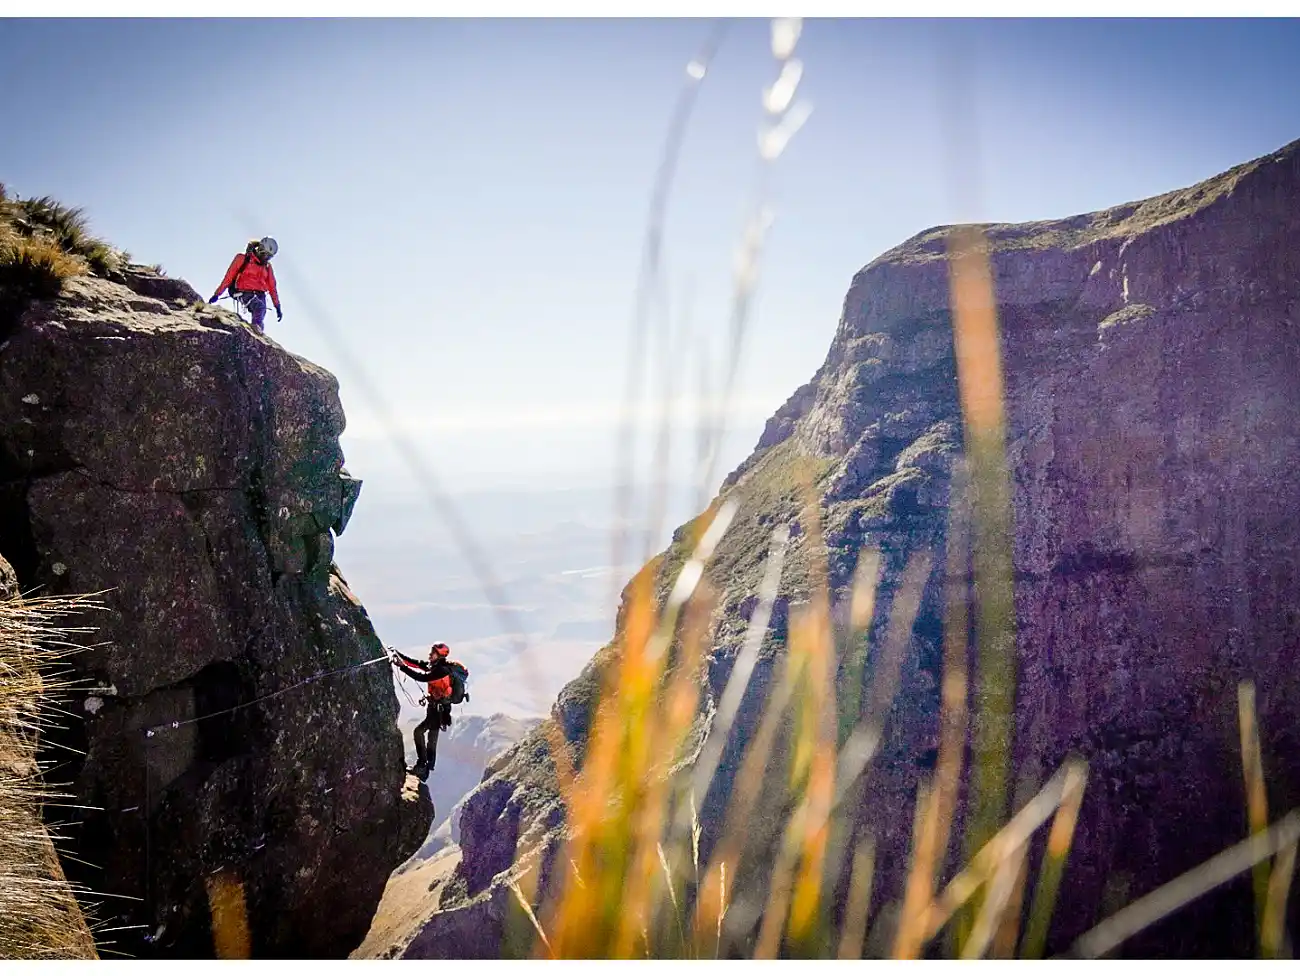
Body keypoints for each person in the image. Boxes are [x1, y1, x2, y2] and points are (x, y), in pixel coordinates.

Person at [389, 643, 457, 780]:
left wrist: (402, 666)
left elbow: (422, 677)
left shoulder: (442, 670)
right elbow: (416, 664)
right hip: (436, 709)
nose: (430, 654)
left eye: (433, 653)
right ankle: (425, 769)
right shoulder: (435, 666)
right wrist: (397, 653)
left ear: (440, 656)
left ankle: (422, 766)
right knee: (431, 739)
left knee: (419, 732)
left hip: (439, 711)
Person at [209, 237, 282, 334]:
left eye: (269, 257)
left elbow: (272, 288)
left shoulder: (267, 267)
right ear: (259, 249)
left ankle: (257, 335)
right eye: (265, 254)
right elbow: (229, 277)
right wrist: (217, 294)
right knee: (259, 307)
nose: (266, 258)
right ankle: (256, 333)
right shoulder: (242, 259)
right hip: (243, 292)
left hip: (260, 294)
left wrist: (277, 306)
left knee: (261, 313)